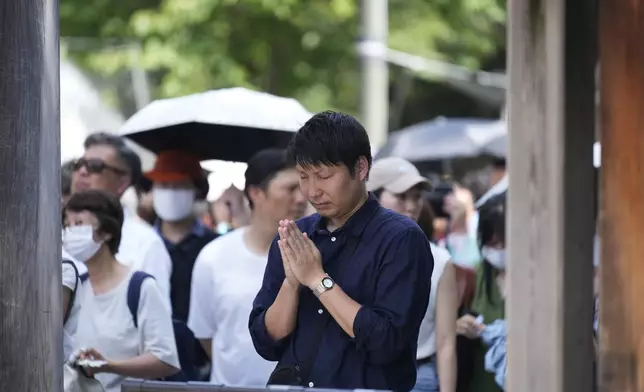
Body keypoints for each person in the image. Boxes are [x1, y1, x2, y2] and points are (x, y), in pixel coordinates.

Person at [249, 111, 434, 391]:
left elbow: (385, 343)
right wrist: (291, 283)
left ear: (360, 168)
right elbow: (267, 343)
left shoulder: (401, 239)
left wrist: (318, 280)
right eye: (303, 176)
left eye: (324, 176)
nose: (312, 191)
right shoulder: (296, 236)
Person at [188, 148, 307, 386]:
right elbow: (205, 334)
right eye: (290, 188)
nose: (302, 198)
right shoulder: (214, 257)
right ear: (256, 193)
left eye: (302, 187)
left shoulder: (312, 256)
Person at [63, 190, 180, 392]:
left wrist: (110, 366)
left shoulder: (140, 287)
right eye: (66, 225)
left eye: (79, 224)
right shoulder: (76, 288)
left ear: (107, 232)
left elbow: (165, 360)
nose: (69, 232)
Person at [367, 157, 458, 392]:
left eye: (417, 196)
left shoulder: (439, 260)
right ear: (371, 195)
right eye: (401, 196)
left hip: (418, 377)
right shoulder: (349, 253)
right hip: (358, 374)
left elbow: (446, 341)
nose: (411, 205)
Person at [70, 133, 172, 307]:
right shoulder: (50, 232)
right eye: (79, 164)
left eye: (95, 166)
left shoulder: (146, 243)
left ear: (122, 182)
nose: (83, 172)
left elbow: (155, 323)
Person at [455, 192, 506, 392]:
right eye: (493, 244)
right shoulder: (472, 277)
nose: (500, 250)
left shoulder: (540, 280)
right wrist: (458, 326)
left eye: (505, 243)